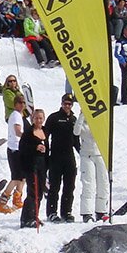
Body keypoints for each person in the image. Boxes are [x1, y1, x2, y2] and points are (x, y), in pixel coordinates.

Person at [45, 94, 78, 223]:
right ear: (61, 103)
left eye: (69, 104)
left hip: (69, 157)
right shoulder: (54, 118)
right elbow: (45, 136)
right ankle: (52, 212)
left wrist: (83, 152)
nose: (67, 106)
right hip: (56, 157)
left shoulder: (74, 119)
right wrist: (45, 153)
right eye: (65, 103)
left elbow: (76, 140)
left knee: (69, 186)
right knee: (54, 186)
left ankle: (66, 211)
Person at [0, 95, 27, 214]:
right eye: (20, 102)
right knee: (16, 178)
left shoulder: (20, 115)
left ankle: (17, 199)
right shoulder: (16, 116)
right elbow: (18, 132)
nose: (22, 104)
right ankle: (1, 202)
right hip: (15, 149)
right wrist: (29, 138)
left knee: (22, 177)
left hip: (19, 149)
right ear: (15, 104)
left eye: (23, 102)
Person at [74, 113, 108, 223]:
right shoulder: (83, 122)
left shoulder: (99, 120)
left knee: (103, 183)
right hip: (87, 155)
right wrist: (82, 114)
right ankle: (86, 213)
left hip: (100, 154)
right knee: (88, 183)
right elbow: (76, 132)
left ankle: (101, 210)